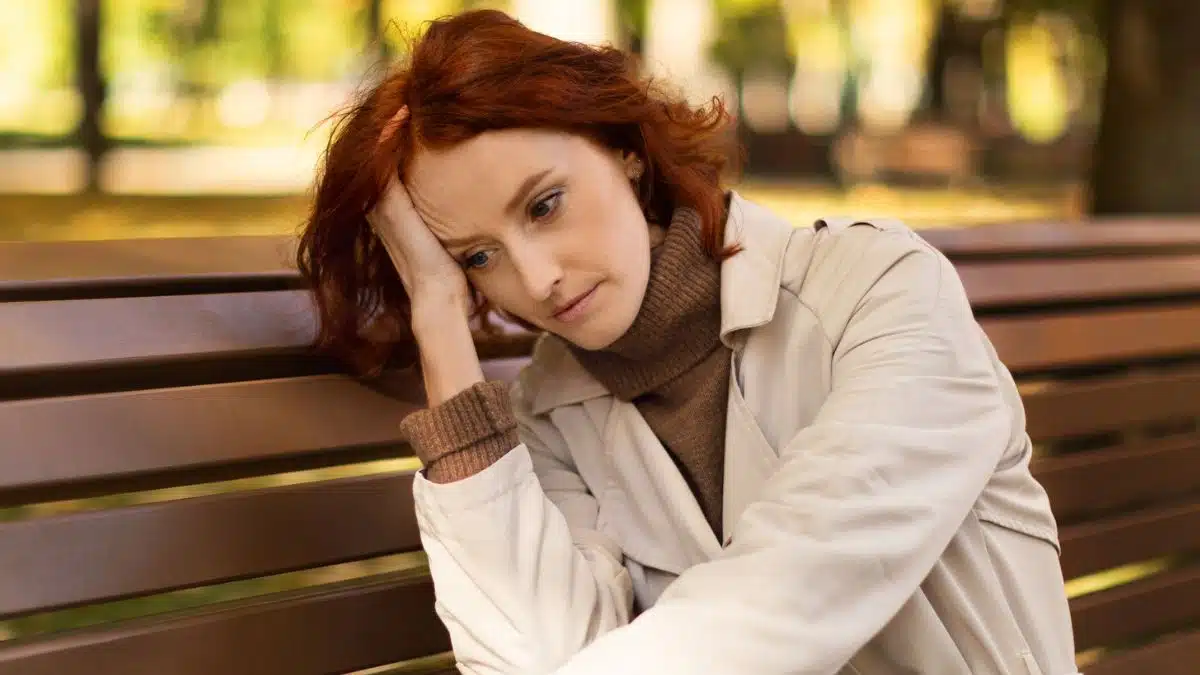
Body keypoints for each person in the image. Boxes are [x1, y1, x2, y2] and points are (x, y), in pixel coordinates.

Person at [297, 9, 1078, 675]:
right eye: (477, 256)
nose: (536, 278)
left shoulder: (879, 290)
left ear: (624, 150)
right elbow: (528, 655)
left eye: (544, 205)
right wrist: (438, 311)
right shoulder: (551, 413)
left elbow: (797, 586)